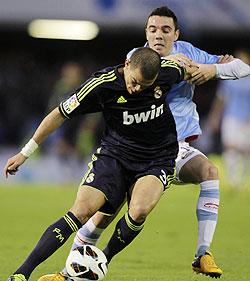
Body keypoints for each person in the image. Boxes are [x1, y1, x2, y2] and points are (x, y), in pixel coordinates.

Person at [38, 6, 250, 281]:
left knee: (209, 172)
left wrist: (210, 69)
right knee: (105, 215)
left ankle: (202, 254)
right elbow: (159, 76)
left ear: (176, 33)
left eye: (165, 30)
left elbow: (242, 67)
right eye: (152, 29)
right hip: (141, 151)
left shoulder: (192, 53)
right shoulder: (137, 60)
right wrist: (188, 67)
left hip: (178, 148)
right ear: (146, 33)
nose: (158, 35)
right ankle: (68, 272)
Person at [4, 47, 194, 281]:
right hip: (114, 156)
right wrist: (26, 152)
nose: (137, 89)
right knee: (82, 211)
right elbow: (59, 114)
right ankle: (22, 273)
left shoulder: (167, 72)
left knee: (140, 209)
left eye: (145, 86)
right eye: (134, 82)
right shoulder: (101, 85)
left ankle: (95, 264)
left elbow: (194, 70)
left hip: (157, 158)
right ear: (126, 65)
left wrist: (218, 67)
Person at [208, 48, 250, 189]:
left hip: (247, 120)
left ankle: (242, 181)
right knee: (230, 147)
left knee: (246, 150)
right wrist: (215, 117)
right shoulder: (229, 80)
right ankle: (232, 180)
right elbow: (221, 100)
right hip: (231, 118)